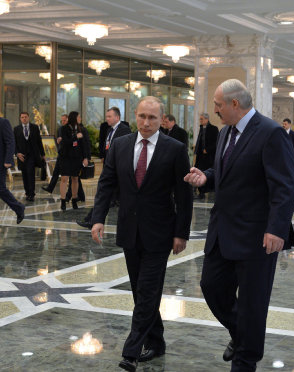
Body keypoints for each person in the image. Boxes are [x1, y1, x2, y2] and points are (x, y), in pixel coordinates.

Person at [184, 79, 294, 372]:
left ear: (235, 104)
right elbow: (228, 169)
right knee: (211, 287)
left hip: (257, 237)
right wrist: (206, 177)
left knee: (252, 305)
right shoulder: (225, 132)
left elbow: (285, 186)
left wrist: (277, 229)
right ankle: (242, 334)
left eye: (218, 105)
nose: (215, 110)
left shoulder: (271, 133)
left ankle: (245, 360)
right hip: (222, 232)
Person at [91, 96, 193, 371]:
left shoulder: (175, 149)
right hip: (129, 230)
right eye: (142, 116)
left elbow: (184, 196)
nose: (146, 122)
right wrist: (98, 218)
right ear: (134, 116)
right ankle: (156, 342)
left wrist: (181, 233)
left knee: (148, 291)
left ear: (162, 119)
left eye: (153, 118)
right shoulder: (121, 145)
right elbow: (107, 183)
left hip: (161, 233)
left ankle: (131, 351)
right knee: (140, 291)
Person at [77, 107, 131, 228]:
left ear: (117, 117)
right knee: (104, 195)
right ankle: (91, 220)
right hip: (110, 167)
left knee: (107, 196)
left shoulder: (124, 130)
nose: (107, 119)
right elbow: (107, 145)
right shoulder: (109, 130)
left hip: (118, 170)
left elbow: (125, 150)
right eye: (107, 116)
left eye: (109, 116)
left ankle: (93, 220)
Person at [41, 114, 86, 201]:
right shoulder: (61, 129)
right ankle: (52, 188)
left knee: (74, 178)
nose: (63, 122)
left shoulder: (78, 129)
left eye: (64, 120)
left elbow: (78, 143)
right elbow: (61, 141)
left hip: (72, 156)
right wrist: (58, 142)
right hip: (62, 154)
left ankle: (75, 196)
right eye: (61, 120)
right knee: (58, 172)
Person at [57, 111, 89, 211]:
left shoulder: (82, 129)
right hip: (66, 157)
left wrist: (86, 157)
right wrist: (75, 137)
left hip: (77, 158)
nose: (80, 118)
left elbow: (85, 144)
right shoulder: (64, 128)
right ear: (74, 118)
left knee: (75, 179)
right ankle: (63, 200)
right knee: (64, 179)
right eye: (79, 117)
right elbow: (65, 142)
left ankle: (74, 199)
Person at [14, 112, 45, 202]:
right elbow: (14, 143)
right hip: (22, 156)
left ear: (28, 118)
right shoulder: (16, 129)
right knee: (24, 175)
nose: (24, 119)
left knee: (30, 173)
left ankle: (32, 194)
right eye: (22, 117)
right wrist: (17, 153)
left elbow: (39, 141)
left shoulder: (34, 127)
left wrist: (42, 154)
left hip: (32, 155)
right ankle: (27, 192)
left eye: (25, 117)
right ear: (20, 119)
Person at [194, 113, 219, 199]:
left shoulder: (214, 129)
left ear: (207, 119)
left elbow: (216, 142)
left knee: (209, 172)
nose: (200, 121)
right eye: (200, 119)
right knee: (199, 172)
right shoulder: (201, 129)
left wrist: (207, 149)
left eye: (201, 119)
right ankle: (201, 192)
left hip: (210, 156)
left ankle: (211, 192)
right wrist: (196, 152)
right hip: (201, 156)